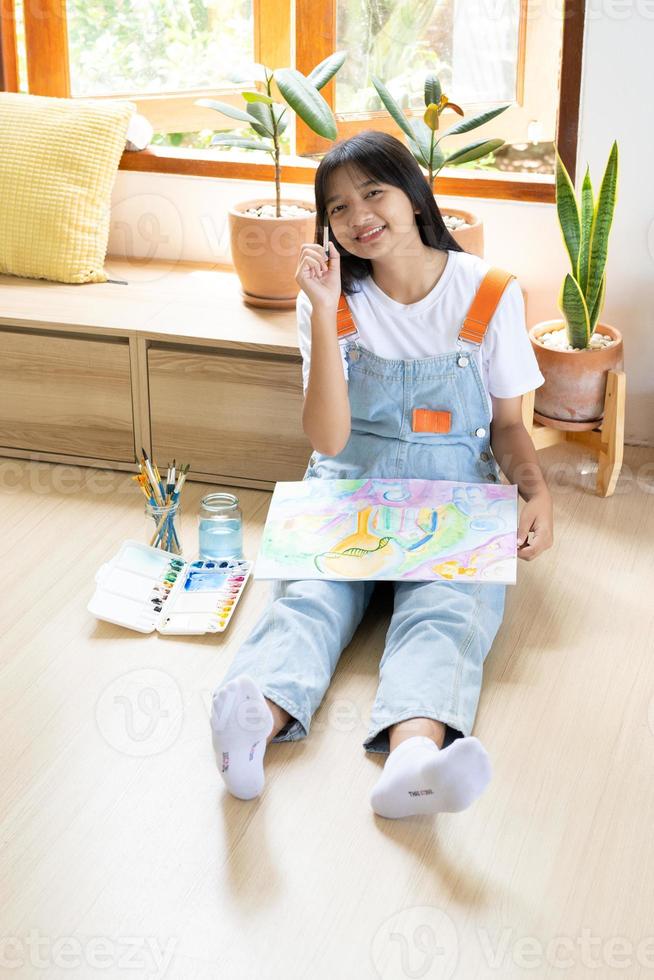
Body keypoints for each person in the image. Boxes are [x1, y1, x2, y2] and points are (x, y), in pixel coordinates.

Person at [210, 130, 553, 819]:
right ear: (326, 226)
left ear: (413, 195)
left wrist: (536, 490)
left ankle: (413, 761)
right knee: (311, 598)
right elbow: (329, 436)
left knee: (448, 609)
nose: (358, 215)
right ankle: (251, 731)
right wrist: (319, 304)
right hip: (347, 477)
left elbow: (510, 425)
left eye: (374, 192)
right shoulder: (331, 298)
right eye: (336, 208)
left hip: (456, 482)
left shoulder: (489, 291)